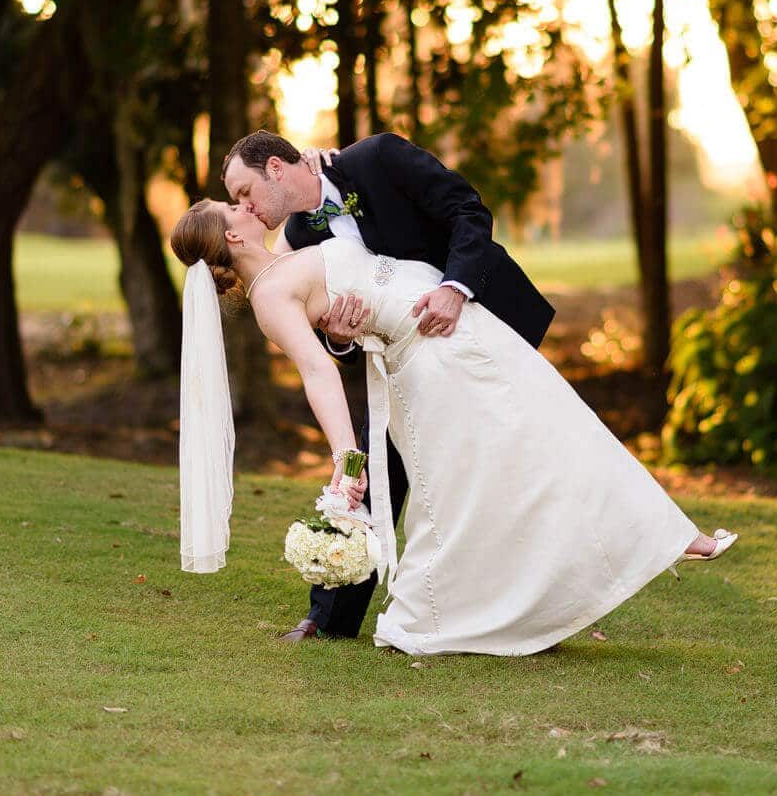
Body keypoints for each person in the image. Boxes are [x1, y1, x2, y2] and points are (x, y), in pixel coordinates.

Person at [170, 198, 738, 656]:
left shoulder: (291, 253)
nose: (246, 205)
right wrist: (348, 457)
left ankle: (658, 535)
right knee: (504, 466)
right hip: (433, 358)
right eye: (234, 206)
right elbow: (318, 372)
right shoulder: (271, 295)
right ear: (235, 238)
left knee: (554, 429)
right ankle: (434, 614)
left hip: (460, 330)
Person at [219, 130, 555, 643]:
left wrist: (454, 288)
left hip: (482, 322)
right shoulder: (298, 243)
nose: (246, 206)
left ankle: (524, 606)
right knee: (372, 465)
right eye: (237, 201)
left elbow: (468, 211)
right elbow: (335, 335)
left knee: (518, 466)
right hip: (404, 362)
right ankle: (328, 618)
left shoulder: (378, 159)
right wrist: (340, 337)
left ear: (277, 169)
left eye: (246, 191)